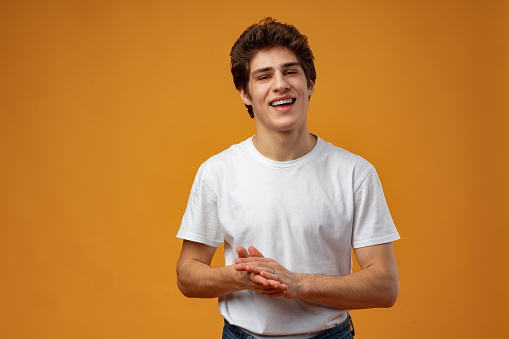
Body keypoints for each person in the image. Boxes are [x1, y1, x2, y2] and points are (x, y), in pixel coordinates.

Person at [176, 17, 400, 339]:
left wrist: (298, 283)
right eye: (264, 76)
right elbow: (187, 275)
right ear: (245, 94)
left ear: (310, 83)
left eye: (290, 71)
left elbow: (385, 286)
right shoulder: (217, 172)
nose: (280, 84)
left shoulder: (355, 173)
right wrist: (241, 277)